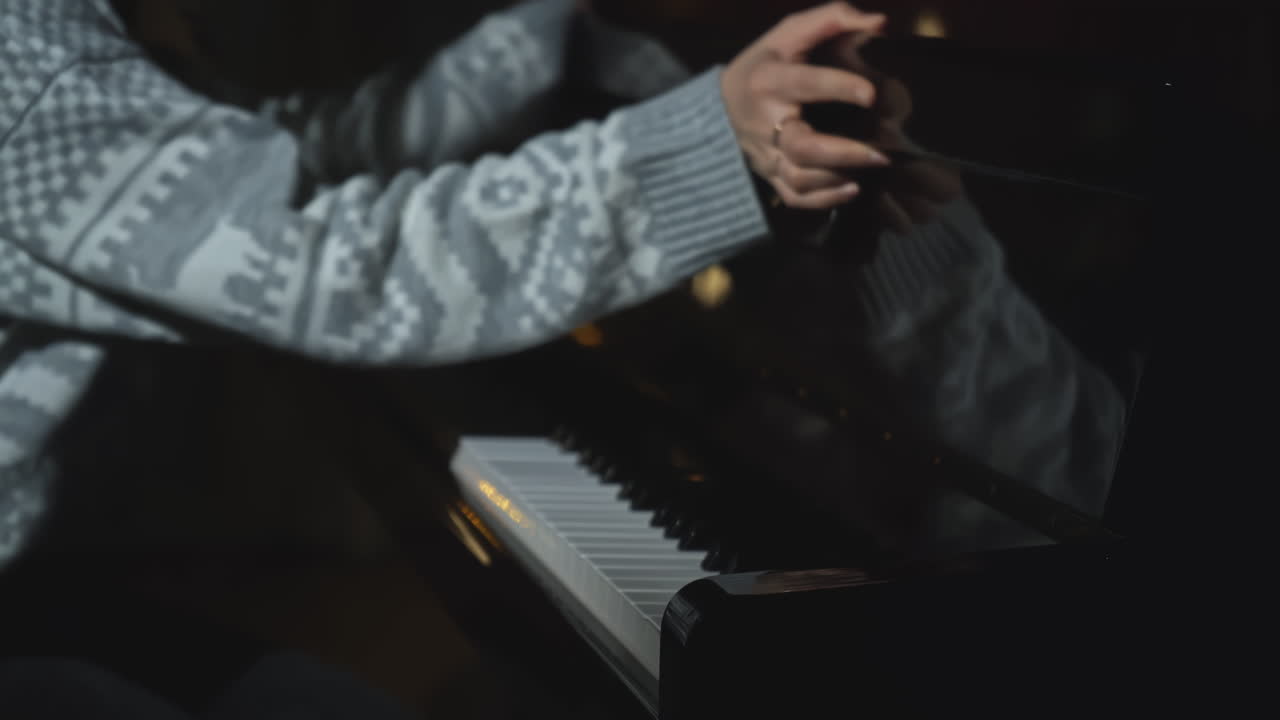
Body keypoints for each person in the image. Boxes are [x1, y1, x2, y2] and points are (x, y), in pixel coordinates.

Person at [0, 0, 893, 569]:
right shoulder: (29, 54)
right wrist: (710, 142)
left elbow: (287, 156)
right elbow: (336, 263)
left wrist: (555, 33)